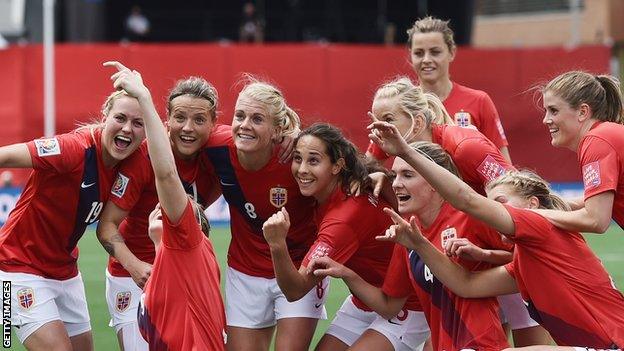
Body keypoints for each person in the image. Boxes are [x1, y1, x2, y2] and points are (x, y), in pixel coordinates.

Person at [368, 120, 624, 348]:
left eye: (500, 202)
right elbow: (465, 285)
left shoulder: (541, 228)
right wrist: (420, 244)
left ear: (532, 204)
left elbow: (467, 200)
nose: (494, 212)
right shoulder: (525, 260)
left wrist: (407, 152)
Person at [308, 141, 516, 350]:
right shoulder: (407, 234)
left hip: (480, 344)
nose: (396, 183)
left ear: (435, 181)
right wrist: (346, 273)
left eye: (407, 175)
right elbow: (389, 306)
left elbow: (526, 259)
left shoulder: (470, 218)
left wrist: (485, 255)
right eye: (395, 175)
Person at [0, 86, 145, 350]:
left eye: (138, 123)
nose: (127, 129)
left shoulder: (132, 162)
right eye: (120, 118)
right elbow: (5, 155)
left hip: (65, 272)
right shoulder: (72, 149)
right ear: (105, 115)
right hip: (15, 267)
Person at [263, 123, 430, 351]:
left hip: (407, 306)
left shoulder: (342, 218)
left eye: (313, 161)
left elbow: (295, 290)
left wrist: (276, 244)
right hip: (365, 301)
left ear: (337, 165)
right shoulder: (348, 186)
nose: (302, 169)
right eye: (297, 158)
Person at [105, 61, 226, 350]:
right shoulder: (143, 159)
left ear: (213, 122)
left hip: (184, 275)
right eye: (180, 118)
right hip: (134, 277)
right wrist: (134, 266)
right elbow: (106, 225)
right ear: (166, 120)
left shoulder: (220, 156)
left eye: (199, 120)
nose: (188, 128)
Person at [202, 77, 327, 351]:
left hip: (299, 268)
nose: (245, 125)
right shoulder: (217, 146)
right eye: (240, 115)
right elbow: (174, 135)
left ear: (277, 130)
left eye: (257, 119)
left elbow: (344, 165)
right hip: (244, 273)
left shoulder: (298, 158)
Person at [377, 16, 511, 162]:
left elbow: (503, 164)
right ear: (410, 56)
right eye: (419, 53)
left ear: (452, 52)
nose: (427, 59)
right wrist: (381, 176)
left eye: (435, 52)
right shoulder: (397, 105)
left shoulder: (479, 101)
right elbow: (371, 164)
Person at [529, 71, 624, 233]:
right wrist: (554, 203)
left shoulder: (597, 140)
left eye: (554, 110)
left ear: (582, 112)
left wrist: (534, 214)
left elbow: (596, 220)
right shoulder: (605, 135)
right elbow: (598, 201)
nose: (546, 119)